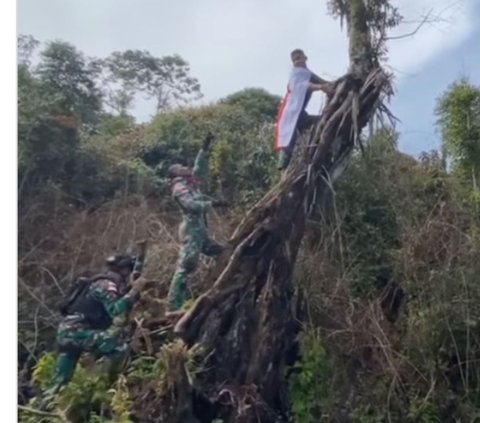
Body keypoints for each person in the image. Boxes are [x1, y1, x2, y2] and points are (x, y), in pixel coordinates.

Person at [47, 254, 147, 394]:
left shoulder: (94, 283)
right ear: (124, 271)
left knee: (60, 383)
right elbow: (115, 310)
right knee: (120, 348)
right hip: (78, 332)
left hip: (66, 333)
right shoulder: (107, 285)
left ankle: (48, 405)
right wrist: (134, 290)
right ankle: (107, 388)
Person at [166, 133, 227, 315]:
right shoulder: (179, 188)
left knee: (222, 252)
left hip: (200, 231)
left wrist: (204, 148)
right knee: (186, 265)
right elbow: (191, 206)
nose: (185, 168)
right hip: (191, 231)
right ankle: (173, 305)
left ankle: (215, 286)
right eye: (181, 167)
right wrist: (212, 204)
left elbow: (198, 169)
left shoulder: (189, 183)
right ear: (175, 174)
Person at [275, 49, 334, 170]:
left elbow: (321, 81)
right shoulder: (295, 74)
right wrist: (321, 87)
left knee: (322, 122)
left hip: (301, 114)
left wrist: (330, 85)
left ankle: (321, 154)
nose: (297, 61)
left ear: (305, 58)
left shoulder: (307, 73)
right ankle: (284, 162)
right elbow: (303, 86)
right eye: (294, 60)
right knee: (288, 140)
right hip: (291, 113)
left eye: (299, 58)